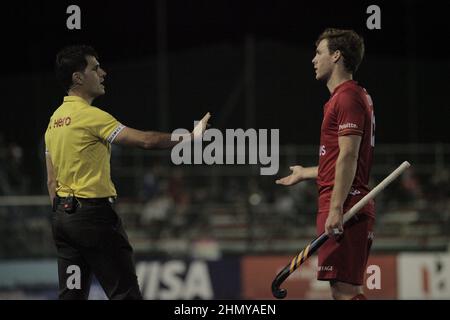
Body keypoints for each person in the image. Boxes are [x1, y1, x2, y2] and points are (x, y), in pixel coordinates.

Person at [44, 45, 210, 300]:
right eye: (95, 68)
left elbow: (51, 181)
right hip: (94, 219)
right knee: (125, 295)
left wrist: (65, 217)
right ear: (78, 78)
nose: (103, 73)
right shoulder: (90, 117)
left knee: (72, 297)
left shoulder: (54, 121)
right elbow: (146, 140)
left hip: (63, 221)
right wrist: (191, 136)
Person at [276, 28, 375, 300]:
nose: (313, 59)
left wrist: (335, 207)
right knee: (345, 292)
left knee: (344, 292)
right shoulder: (346, 97)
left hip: (345, 205)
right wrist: (306, 173)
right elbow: (340, 160)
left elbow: (349, 157)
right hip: (343, 202)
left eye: (319, 53)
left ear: (336, 56)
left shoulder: (347, 97)